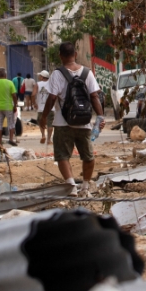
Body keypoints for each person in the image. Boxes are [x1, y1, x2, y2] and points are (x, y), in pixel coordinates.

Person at [39, 42, 105, 196]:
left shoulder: (57, 74)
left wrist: (44, 117)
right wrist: (100, 117)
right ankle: (85, 187)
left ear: (60, 56)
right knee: (88, 156)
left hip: (62, 123)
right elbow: (94, 96)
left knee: (62, 155)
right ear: (75, 54)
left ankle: (72, 187)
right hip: (84, 122)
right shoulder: (87, 73)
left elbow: (52, 98)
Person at [0, 68, 18, 146]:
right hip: (8, 107)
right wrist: (15, 106)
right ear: (5, 75)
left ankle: (0, 142)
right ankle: (11, 139)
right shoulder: (10, 83)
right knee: (11, 123)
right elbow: (14, 96)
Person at [35, 70, 52, 143]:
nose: (39, 77)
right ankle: (49, 139)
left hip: (41, 107)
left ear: (42, 77)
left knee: (41, 122)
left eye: (40, 76)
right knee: (50, 124)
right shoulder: (51, 84)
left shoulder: (38, 84)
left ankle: (43, 135)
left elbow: (33, 94)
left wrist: (34, 103)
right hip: (51, 108)